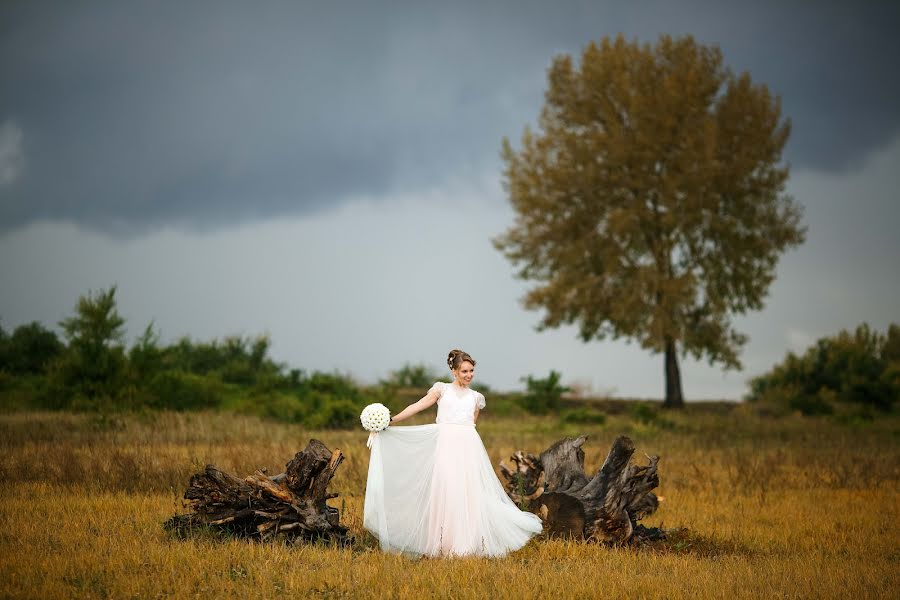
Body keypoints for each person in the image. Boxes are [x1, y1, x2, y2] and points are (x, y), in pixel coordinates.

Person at [363, 349, 543, 557]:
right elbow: (418, 406)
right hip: (446, 446)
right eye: (464, 371)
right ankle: (442, 541)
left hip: (468, 448)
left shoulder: (476, 398)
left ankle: (466, 542)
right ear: (454, 371)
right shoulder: (442, 390)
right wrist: (390, 421)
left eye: (472, 370)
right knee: (445, 490)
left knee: (467, 491)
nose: (469, 375)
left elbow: (471, 424)